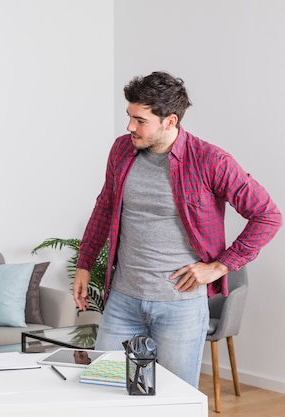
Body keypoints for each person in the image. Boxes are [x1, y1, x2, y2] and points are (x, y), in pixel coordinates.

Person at [72, 71, 282, 387]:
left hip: (180, 307)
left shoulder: (211, 161)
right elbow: (104, 206)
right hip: (123, 300)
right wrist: (85, 263)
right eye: (129, 116)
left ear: (170, 121)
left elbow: (267, 216)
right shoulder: (121, 151)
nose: (130, 127)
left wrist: (220, 267)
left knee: (174, 400)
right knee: (109, 392)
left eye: (140, 120)